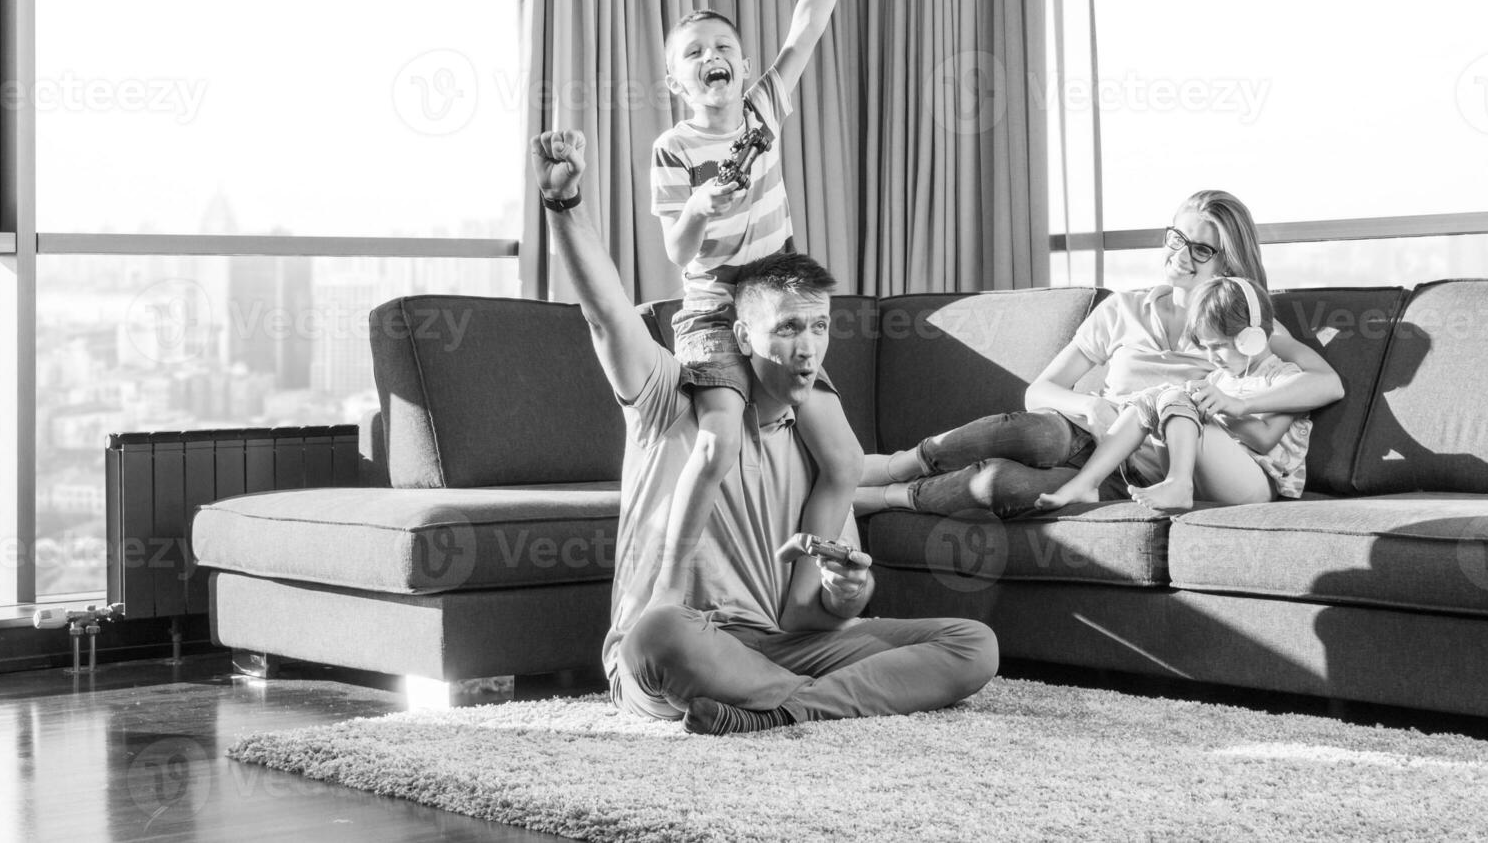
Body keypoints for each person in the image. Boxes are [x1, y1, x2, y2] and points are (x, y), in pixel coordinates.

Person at [532, 129, 998, 736]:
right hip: (682, 644)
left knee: (972, 643)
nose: (807, 349)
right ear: (743, 337)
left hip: (778, 645)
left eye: (819, 327)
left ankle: (782, 711)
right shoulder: (670, 398)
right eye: (787, 329)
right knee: (660, 632)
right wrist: (563, 206)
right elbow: (605, 315)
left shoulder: (821, 446)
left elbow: (808, 618)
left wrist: (848, 593)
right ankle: (823, 703)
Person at [853, 190, 1343, 518]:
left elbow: (1325, 382)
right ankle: (903, 464)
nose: (1181, 255)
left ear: (1227, 262)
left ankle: (890, 498)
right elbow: (1038, 391)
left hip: (1133, 472)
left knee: (1002, 484)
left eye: (1201, 250)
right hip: (1093, 436)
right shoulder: (1124, 309)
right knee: (1034, 431)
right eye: (1177, 239)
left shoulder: (1239, 326)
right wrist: (1090, 405)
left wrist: (1239, 405)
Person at [651, 0, 867, 607]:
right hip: (716, 309)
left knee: (845, 460)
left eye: (723, 47)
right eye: (694, 53)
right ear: (676, 81)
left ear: (744, 66)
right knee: (717, 443)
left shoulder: (763, 109)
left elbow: (808, 25)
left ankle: (803, 601)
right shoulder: (674, 148)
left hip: (778, 302)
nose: (711, 56)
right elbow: (677, 252)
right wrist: (700, 209)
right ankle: (668, 587)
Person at [1034, 276, 1314, 514]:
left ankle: (1179, 485)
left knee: (1175, 397)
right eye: (1206, 348)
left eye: (1218, 347)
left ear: (1251, 338)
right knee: (1153, 398)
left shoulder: (1284, 378)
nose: (1211, 358)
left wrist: (1221, 408)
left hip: (1257, 485)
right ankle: (1087, 482)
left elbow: (1266, 439)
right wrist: (1195, 405)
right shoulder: (1219, 378)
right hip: (1214, 477)